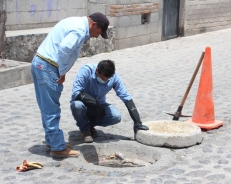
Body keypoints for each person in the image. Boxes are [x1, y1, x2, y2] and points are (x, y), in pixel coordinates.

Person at [31, 13, 110, 158]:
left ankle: (52, 141)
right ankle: (57, 147)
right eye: (98, 33)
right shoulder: (80, 30)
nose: (96, 37)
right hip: (48, 67)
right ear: (94, 25)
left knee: (47, 107)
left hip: (41, 63)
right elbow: (64, 49)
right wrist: (62, 72)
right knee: (51, 109)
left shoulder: (75, 22)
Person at [70, 60, 149, 143]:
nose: (105, 80)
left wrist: (137, 122)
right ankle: (85, 130)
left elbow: (126, 97)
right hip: (83, 104)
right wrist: (95, 104)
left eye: (108, 79)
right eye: (103, 78)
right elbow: (76, 92)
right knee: (76, 106)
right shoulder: (86, 70)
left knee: (116, 116)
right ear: (97, 70)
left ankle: (90, 125)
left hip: (100, 104)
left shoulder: (114, 77)